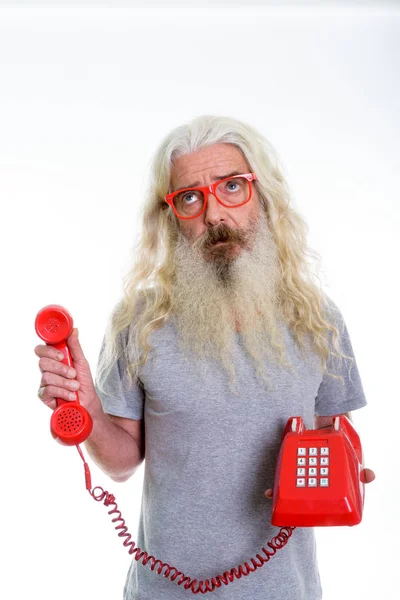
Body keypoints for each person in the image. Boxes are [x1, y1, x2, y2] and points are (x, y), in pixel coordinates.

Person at [35, 115, 375, 600]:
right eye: (190, 197)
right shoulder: (139, 319)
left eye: (232, 186)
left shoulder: (317, 317)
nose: (214, 214)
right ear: (172, 215)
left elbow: (333, 440)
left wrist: (349, 475)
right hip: (163, 590)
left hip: (285, 589)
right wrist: (86, 406)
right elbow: (121, 463)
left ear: (263, 195)